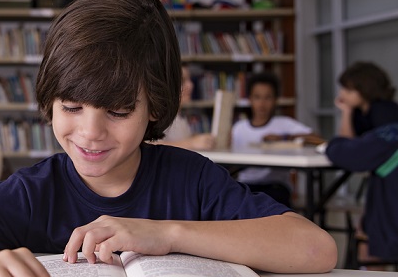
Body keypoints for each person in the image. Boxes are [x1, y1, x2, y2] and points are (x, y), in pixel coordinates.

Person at [0, 0, 337, 277]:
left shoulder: (191, 178)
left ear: (154, 106)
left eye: (118, 111)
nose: (91, 133)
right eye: (71, 107)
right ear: (48, 101)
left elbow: (316, 248)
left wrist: (167, 234)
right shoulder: (35, 190)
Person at [231, 72, 323, 207]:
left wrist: (284, 137)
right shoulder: (239, 127)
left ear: (275, 100)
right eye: (257, 97)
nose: (262, 103)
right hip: (246, 184)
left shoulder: (284, 124)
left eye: (268, 97)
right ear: (250, 99)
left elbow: (316, 138)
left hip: (275, 185)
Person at [325, 123, 398, 266]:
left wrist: (334, 142)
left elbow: (344, 153)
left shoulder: (390, 136)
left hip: (391, 230)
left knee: (366, 229)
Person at [335, 61, 398, 138]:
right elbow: (346, 143)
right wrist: (346, 112)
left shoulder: (384, 110)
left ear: (366, 89)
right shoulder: (358, 111)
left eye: (349, 91)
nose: (342, 94)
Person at [159, 65, 215, 150]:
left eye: (189, 79)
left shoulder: (179, 118)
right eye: (183, 81)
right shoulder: (159, 119)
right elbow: (153, 146)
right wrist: (191, 143)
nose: (191, 85)